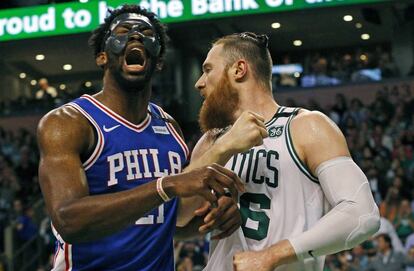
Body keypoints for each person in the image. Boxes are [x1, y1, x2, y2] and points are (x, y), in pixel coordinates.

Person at [37, 6, 267, 271]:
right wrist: (165, 186)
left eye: (146, 34)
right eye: (123, 32)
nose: (135, 37)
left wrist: (212, 218)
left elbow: (170, 224)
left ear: (157, 61)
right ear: (102, 57)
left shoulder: (169, 127)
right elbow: (69, 222)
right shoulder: (68, 122)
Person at [191, 32, 380, 271]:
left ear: (239, 70)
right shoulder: (212, 141)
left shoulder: (305, 126)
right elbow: (177, 220)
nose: (199, 82)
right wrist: (223, 148)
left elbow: (362, 213)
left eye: (208, 70)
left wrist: (271, 256)